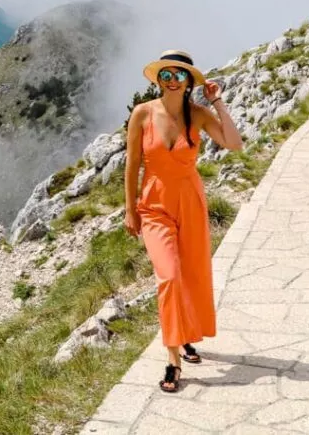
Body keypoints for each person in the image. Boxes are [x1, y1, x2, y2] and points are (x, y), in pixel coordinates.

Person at [124, 49, 244, 393]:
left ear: (189, 81)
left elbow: (234, 144)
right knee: (170, 276)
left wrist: (217, 102)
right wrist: (130, 209)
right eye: (166, 74)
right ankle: (173, 359)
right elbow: (132, 164)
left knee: (191, 273)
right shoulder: (142, 113)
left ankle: (187, 335)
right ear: (158, 79)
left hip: (190, 202)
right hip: (154, 205)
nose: (172, 80)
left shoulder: (199, 114)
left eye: (179, 75)